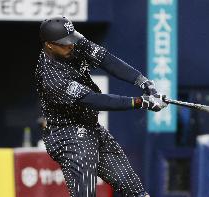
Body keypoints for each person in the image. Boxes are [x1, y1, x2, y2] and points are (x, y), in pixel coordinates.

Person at [35, 16, 167, 197]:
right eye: (64, 43)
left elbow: (107, 60)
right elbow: (95, 100)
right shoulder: (51, 77)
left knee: (134, 189)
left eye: (71, 40)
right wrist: (140, 102)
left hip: (91, 126)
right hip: (66, 133)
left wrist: (143, 82)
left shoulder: (74, 43)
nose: (71, 45)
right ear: (49, 45)